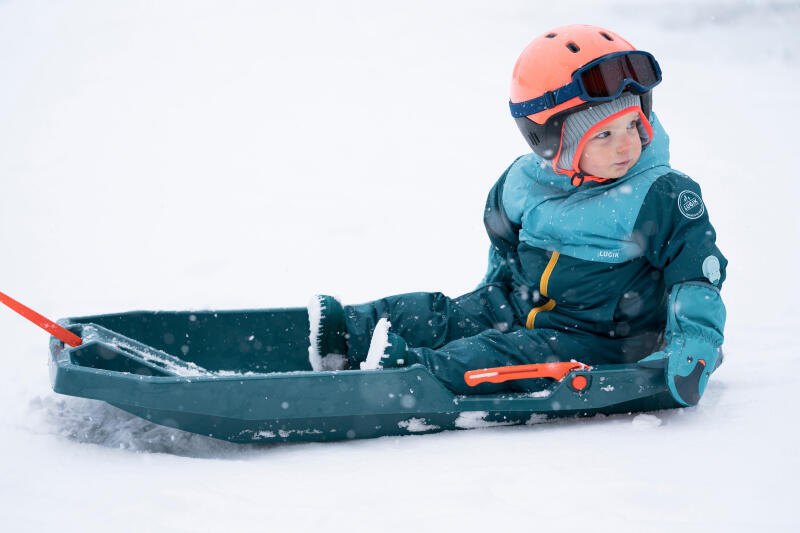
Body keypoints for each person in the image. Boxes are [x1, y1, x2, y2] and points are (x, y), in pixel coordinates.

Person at [307, 24, 727, 407]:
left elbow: (695, 279)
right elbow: (505, 242)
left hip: (601, 339)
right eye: (603, 134)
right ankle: (349, 333)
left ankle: (407, 373)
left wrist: (692, 350)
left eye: (633, 126)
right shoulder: (524, 181)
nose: (625, 147)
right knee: (441, 313)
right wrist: (484, 303)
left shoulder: (660, 194)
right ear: (553, 143)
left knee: (497, 357)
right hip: (519, 301)